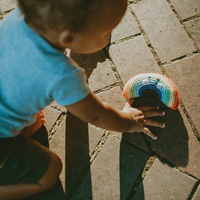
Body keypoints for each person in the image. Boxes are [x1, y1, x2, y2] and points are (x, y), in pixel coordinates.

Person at [0, 0, 165, 199]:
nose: (106, 47)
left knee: (27, 118)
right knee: (52, 170)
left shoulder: (17, 18)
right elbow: (96, 115)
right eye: (105, 34)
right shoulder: (62, 75)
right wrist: (129, 121)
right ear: (68, 37)